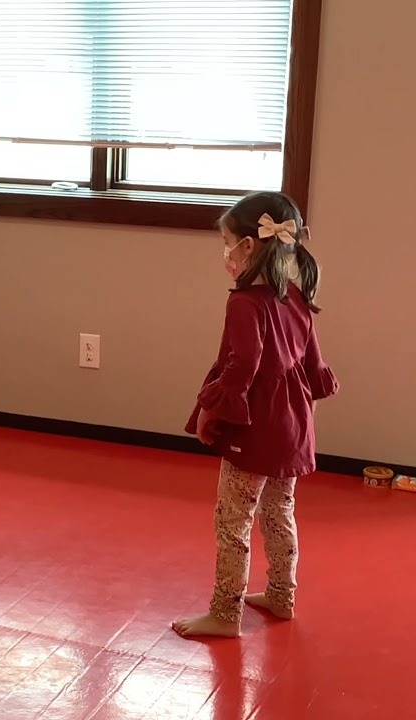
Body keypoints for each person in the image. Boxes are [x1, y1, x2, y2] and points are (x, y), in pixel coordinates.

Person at [170, 191, 338, 638]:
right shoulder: (295, 296)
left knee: (233, 519)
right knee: (280, 511)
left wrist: (209, 411)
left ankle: (225, 613)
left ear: (247, 245)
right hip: (292, 425)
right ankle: (282, 595)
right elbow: (314, 366)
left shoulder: (246, 302)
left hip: (256, 426)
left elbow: (241, 366)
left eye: (227, 243)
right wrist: (302, 421)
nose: (225, 253)